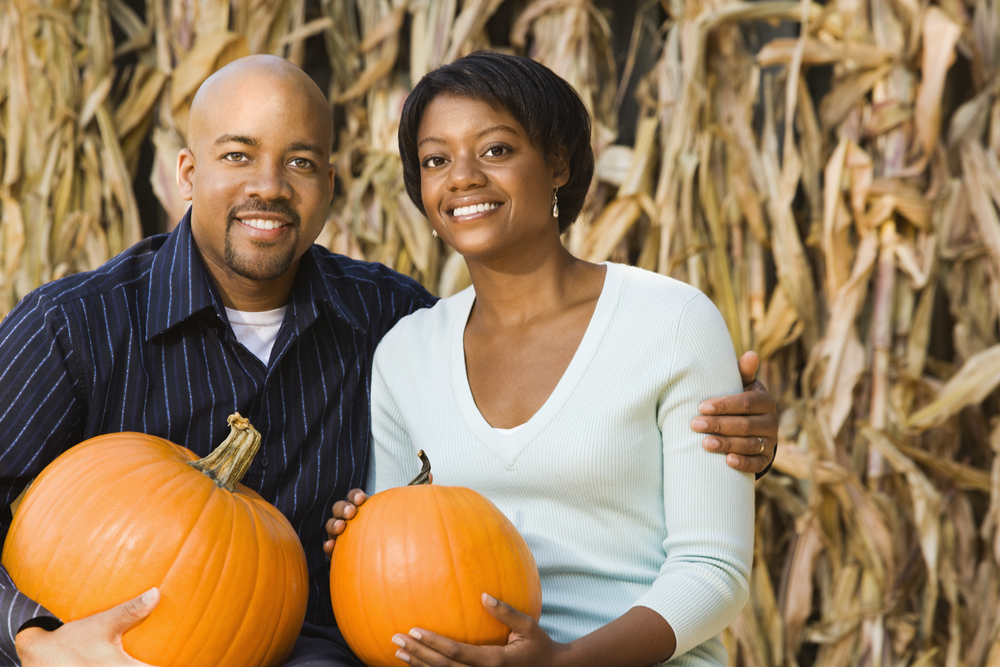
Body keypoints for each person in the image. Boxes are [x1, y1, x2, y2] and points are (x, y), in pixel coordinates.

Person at [0, 55, 774, 666]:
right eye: (238, 155)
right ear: (188, 174)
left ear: (332, 185)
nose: (268, 187)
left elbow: (581, 431)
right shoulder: (75, 326)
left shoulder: (386, 320)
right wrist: (36, 641)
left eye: (300, 162)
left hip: (317, 651)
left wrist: (742, 427)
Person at [326, 51, 756, 667]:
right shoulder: (407, 353)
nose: (464, 177)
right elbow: (394, 581)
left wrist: (564, 661)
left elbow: (713, 570)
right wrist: (359, 540)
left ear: (557, 162)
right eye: (436, 160)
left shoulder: (673, 322)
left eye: (496, 150)